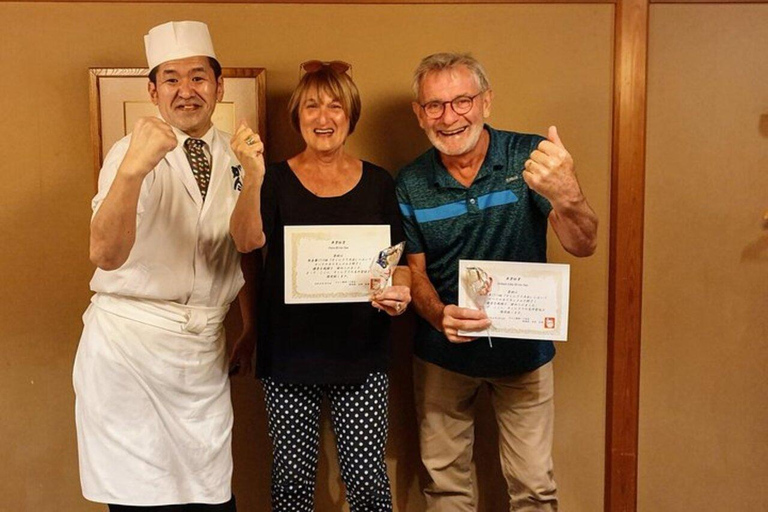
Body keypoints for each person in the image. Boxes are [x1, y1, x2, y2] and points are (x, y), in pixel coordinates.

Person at [395, 52, 598, 511]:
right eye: (434, 105)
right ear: (419, 112)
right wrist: (437, 315)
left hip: (524, 352)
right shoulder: (410, 181)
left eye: (462, 100)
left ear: (486, 102)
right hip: (443, 353)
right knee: (444, 488)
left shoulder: (530, 158)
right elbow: (416, 272)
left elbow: (583, 244)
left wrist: (568, 194)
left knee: (534, 487)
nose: (449, 117)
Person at [73, 20, 255, 512]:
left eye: (198, 77)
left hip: (201, 353)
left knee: (212, 496)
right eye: (171, 79)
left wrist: (250, 325)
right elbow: (105, 255)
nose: (186, 91)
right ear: (152, 92)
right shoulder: (125, 155)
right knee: (140, 501)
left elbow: (241, 246)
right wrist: (134, 168)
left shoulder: (236, 157)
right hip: (131, 350)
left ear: (219, 87)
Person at [229, 60, 410, 512]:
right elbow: (247, 251)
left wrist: (399, 290)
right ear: (297, 116)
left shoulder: (379, 183)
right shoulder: (271, 180)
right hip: (288, 350)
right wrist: (250, 329)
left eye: (335, 106)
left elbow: (398, 259)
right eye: (311, 105)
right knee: (291, 480)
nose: (323, 117)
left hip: (362, 349)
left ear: (351, 116)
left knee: (367, 478)